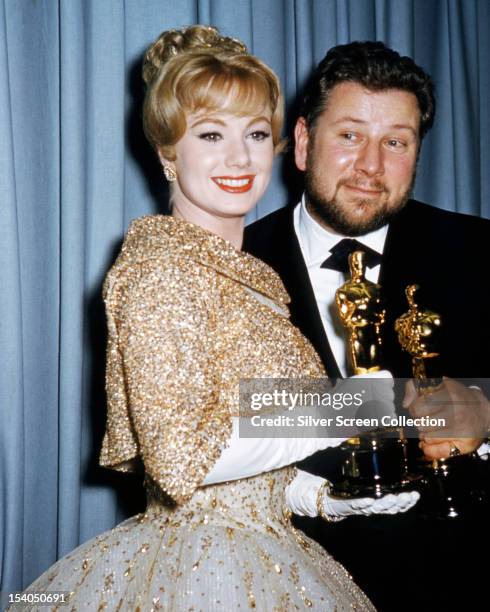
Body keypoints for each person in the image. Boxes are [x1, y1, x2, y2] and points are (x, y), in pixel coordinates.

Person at [13, 28, 422, 611]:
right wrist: (347, 408)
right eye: (210, 134)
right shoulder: (161, 270)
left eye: (256, 134)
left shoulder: (242, 275)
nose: (239, 157)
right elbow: (181, 460)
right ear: (167, 152)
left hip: (270, 551)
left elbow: (233, 456)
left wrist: (322, 497)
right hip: (201, 572)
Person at [244, 41, 490, 611]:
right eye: (350, 135)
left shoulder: (480, 251)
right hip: (292, 587)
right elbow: (204, 429)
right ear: (303, 143)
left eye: (395, 142)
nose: (371, 166)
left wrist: (486, 409)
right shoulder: (235, 269)